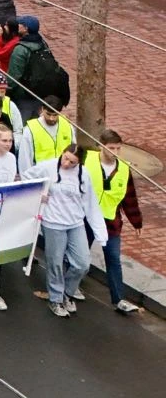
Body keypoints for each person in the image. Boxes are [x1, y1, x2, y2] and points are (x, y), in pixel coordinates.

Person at [25, 144, 105, 317]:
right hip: (53, 222)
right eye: (65, 158)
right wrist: (38, 194)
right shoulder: (47, 167)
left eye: (72, 162)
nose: (67, 163)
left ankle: (67, 293)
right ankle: (55, 298)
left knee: (82, 263)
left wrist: (100, 231)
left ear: (79, 163)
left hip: (75, 222)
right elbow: (27, 178)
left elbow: (90, 202)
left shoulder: (84, 174)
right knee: (55, 263)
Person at [87, 129, 145, 314]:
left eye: (118, 148)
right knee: (77, 256)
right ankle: (66, 287)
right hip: (85, 218)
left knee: (113, 259)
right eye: (111, 148)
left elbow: (129, 198)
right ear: (100, 146)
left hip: (111, 220)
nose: (115, 152)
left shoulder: (124, 169)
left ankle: (119, 299)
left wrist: (137, 222)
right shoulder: (86, 159)